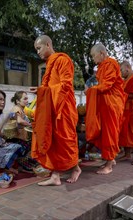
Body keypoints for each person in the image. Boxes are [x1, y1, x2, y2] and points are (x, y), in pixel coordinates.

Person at [30, 35, 81, 186]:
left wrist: (44, 92)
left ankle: (72, 170)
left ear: (47, 44)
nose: (38, 52)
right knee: (54, 142)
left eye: (39, 48)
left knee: (65, 141)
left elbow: (65, 86)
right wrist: (41, 92)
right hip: (53, 107)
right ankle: (57, 175)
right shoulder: (49, 64)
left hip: (63, 108)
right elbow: (49, 88)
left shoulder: (62, 60)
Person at [85, 43, 124, 174]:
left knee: (110, 133)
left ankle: (109, 165)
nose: (93, 59)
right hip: (106, 103)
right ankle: (110, 159)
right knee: (106, 132)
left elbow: (107, 84)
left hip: (112, 103)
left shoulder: (110, 63)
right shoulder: (103, 66)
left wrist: (91, 90)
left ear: (101, 53)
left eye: (93, 55)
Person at [10, 91, 44, 174]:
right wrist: (31, 125)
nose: (27, 101)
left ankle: (25, 163)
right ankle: (22, 163)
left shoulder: (22, 109)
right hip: (15, 139)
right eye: (25, 99)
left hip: (21, 137)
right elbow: (19, 120)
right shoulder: (16, 109)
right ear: (18, 101)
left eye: (27, 99)